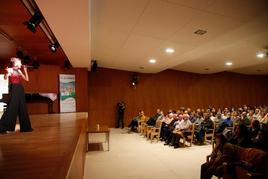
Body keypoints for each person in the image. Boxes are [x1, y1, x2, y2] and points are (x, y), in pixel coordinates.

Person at [0, 57, 33, 134]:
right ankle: (2, 127)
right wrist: (6, 73)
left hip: (20, 89)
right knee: (12, 107)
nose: (21, 64)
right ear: (15, 63)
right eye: (20, 62)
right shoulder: (10, 69)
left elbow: (27, 79)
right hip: (14, 88)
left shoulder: (19, 70)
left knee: (23, 107)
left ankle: (26, 128)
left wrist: (25, 71)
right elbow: (5, 78)